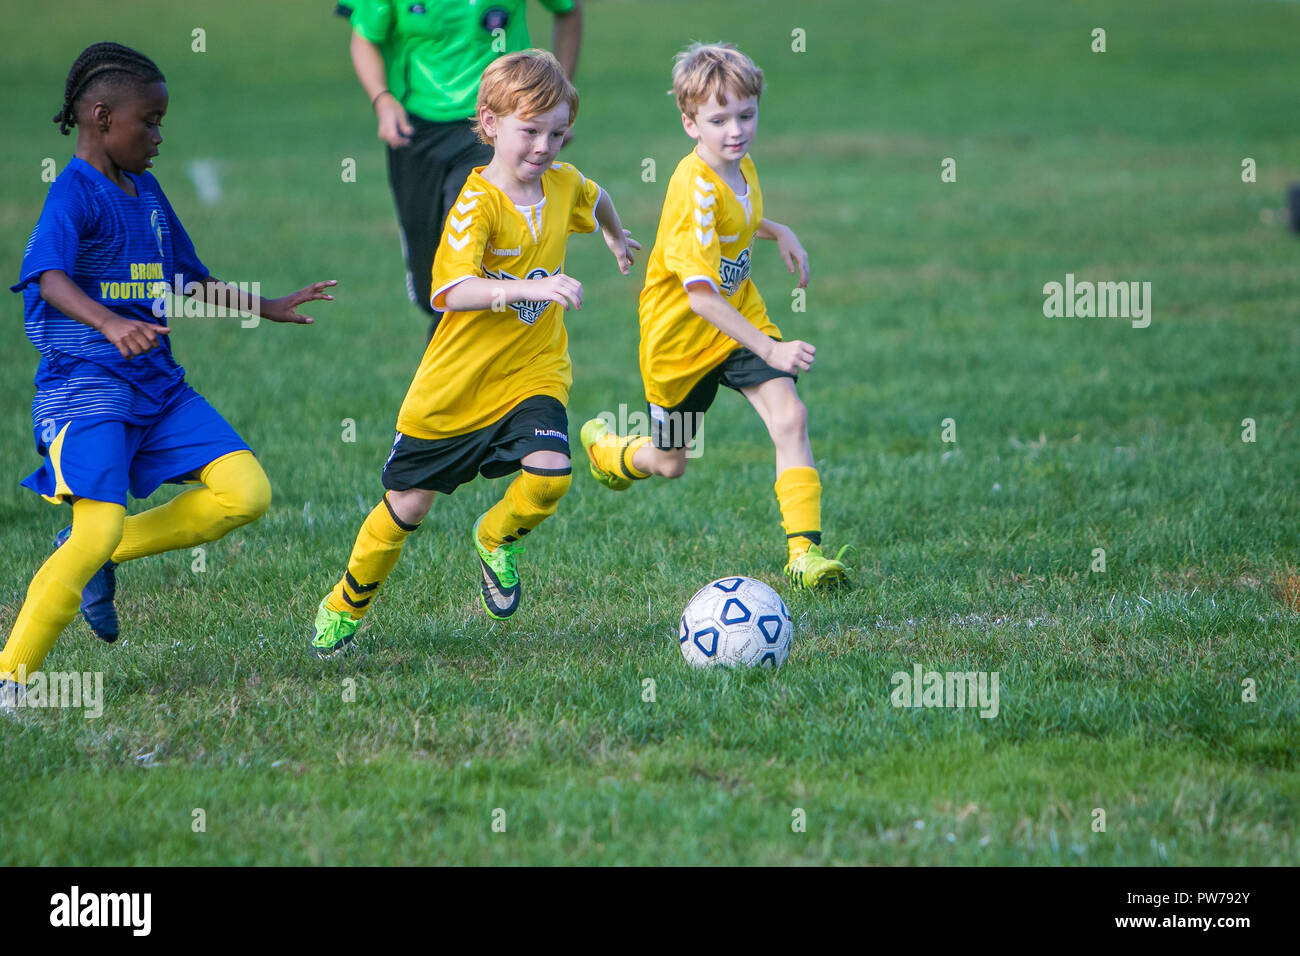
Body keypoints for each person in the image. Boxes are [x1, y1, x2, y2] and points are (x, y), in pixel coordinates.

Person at [0, 42, 336, 711]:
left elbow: (186, 276)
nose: (158, 136)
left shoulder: (144, 189)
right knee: (98, 527)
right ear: (100, 118)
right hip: (87, 386)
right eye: (147, 121)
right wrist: (108, 324)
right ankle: (12, 678)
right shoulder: (73, 194)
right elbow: (47, 276)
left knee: (246, 494)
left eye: (161, 120)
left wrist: (264, 306)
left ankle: (99, 552)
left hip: (156, 384)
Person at [309, 50, 637, 658]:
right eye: (529, 130)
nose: (544, 146)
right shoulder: (477, 201)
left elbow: (596, 196)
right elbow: (450, 290)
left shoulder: (563, 184)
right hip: (456, 384)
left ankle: (495, 537)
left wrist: (617, 237)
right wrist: (530, 286)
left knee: (550, 475)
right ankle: (346, 603)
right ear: (490, 124)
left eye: (557, 133)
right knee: (407, 508)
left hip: (532, 371)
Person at [580, 43, 851, 591]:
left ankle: (804, 557)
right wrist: (771, 349)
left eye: (746, 115)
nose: (736, 130)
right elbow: (701, 297)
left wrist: (779, 230)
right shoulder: (694, 191)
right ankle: (612, 453)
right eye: (718, 119)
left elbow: (740, 218)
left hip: (738, 322)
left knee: (790, 417)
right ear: (689, 123)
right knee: (670, 462)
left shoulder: (739, 164)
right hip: (679, 343)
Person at [336, 0, 582, 339]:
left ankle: (484, 372)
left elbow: (568, 9)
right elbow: (364, 37)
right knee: (432, 288)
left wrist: (554, 106)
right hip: (415, 128)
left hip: (494, 127)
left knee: (470, 264)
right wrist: (383, 99)